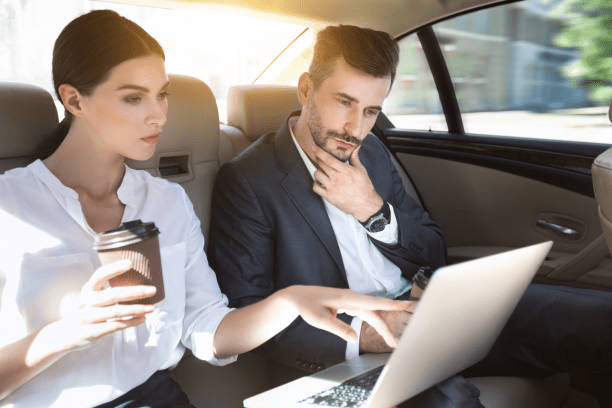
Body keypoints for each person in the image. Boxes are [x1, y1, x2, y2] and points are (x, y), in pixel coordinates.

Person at [0, 11, 413, 408]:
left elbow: (206, 328)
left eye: (162, 95)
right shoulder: (9, 207)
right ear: (74, 100)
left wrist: (288, 301)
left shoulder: (166, 203)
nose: (158, 114)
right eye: (133, 98)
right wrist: (69, 332)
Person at [208, 24, 612, 407]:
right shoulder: (248, 180)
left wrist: (373, 211)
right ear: (306, 89)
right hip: (352, 350)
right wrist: (366, 335)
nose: (355, 127)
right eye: (344, 102)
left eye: (370, 111)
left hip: (427, 313)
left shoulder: (373, 154)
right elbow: (248, 314)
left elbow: (433, 250)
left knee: (599, 321)